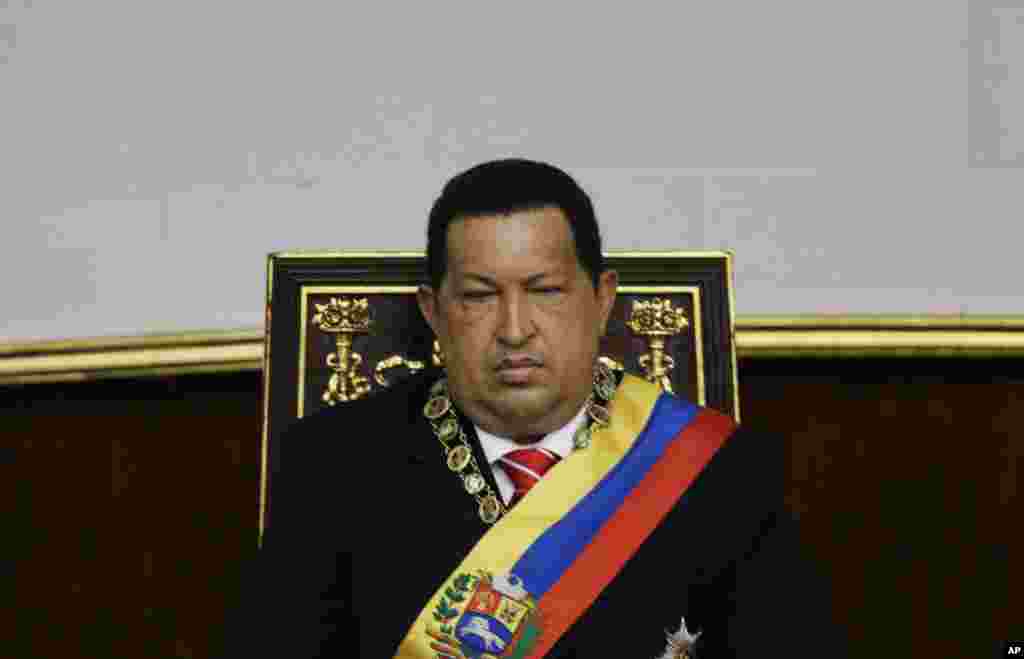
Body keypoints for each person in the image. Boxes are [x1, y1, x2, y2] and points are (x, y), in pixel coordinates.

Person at [221, 159, 844, 657]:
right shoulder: (335, 465)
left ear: (602, 300)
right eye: (478, 296)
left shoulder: (719, 471)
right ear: (433, 311)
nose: (515, 330)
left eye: (545, 291)